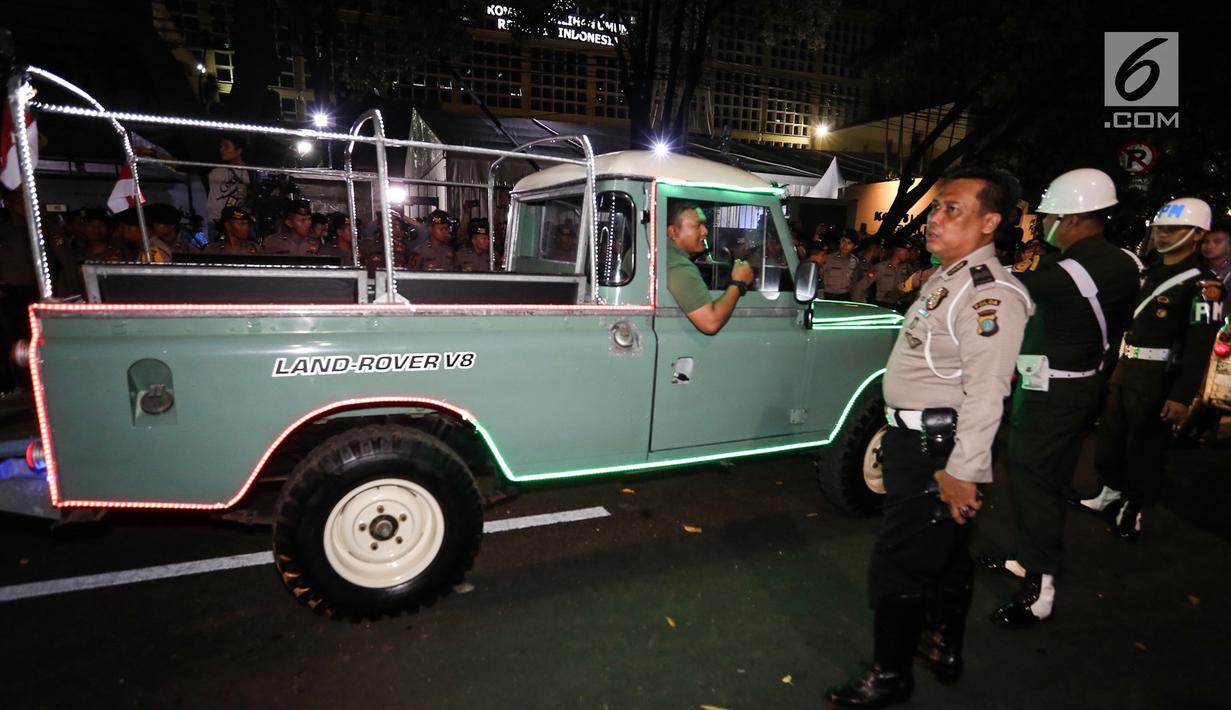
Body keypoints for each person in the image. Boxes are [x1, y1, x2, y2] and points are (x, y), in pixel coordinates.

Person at [827, 167, 1032, 708]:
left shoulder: (991, 295)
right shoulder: (949, 277)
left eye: (952, 209)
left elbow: (989, 393)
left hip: (937, 450)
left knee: (898, 563)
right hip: (914, 442)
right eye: (937, 207)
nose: (934, 218)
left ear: (990, 222)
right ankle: (942, 645)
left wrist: (963, 472)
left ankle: (890, 677)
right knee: (946, 553)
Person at [979, 168, 1142, 628]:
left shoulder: (1066, 271)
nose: (1042, 225)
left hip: (1051, 390)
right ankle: (1028, 557)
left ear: (1071, 220)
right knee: (1049, 474)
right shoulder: (1124, 263)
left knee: (1034, 479)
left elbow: (1005, 294)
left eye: (1048, 217)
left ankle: (1040, 586)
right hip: (1086, 382)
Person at [1081, 198, 1224, 538]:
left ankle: (1135, 508)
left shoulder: (1204, 286)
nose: (1161, 235)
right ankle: (1109, 491)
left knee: (1143, 447)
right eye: (1159, 228)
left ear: (1195, 235)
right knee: (1111, 439)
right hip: (1126, 369)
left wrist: (1181, 396)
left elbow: (1199, 347)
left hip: (1157, 379)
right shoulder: (1150, 273)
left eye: (1171, 229)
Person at [665, 201, 754, 335]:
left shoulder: (662, 253)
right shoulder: (679, 266)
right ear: (673, 232)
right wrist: (738, 283)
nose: (705, 231)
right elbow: (710, 323)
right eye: (697, 225)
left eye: (704, 225)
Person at [205, 133, 249, 235]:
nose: (222, 150)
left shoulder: (249, 171)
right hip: (216, 222)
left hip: (239, 222)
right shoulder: (213, 168)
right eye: (221, 146)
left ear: (238, 150)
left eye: (226, 147)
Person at [869, 236, 913, 309]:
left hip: (898, 306)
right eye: (906, 251)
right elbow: (861, 287)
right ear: (897, 251)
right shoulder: (881, 267)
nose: (908, 254)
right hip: (881, 305)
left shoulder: (907, 268)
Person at [822, 231, 863, 300]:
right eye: (843, 241)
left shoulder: (855, 261)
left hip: (844, 297)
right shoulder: (829, 258)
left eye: (849, 243)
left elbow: (855, 281)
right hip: (828, 296)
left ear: (855, 246)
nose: (844, 245)